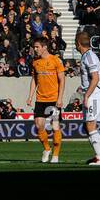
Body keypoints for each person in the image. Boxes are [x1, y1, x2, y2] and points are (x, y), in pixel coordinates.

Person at [26, 35, 65, 165]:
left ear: (44, 47)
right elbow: (34, 80)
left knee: (55, 127)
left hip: (54, 99)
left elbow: (62, 80)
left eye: (37, 47)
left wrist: (60, 98)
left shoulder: (55, 60)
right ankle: (47, 149)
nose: (35, 49)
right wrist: (30, 96)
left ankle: (55, 155)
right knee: (38, 125)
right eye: (34, 47)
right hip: (40, 99)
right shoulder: (35, 62)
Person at [75, 29, 100, 166]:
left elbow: (95, 78)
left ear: (78, 43)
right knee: (87, 126)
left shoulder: (89, 57)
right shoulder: (87, 56)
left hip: (93, 94)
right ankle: (99, 155)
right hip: (92, 93)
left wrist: (86, 95)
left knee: (90, 125)